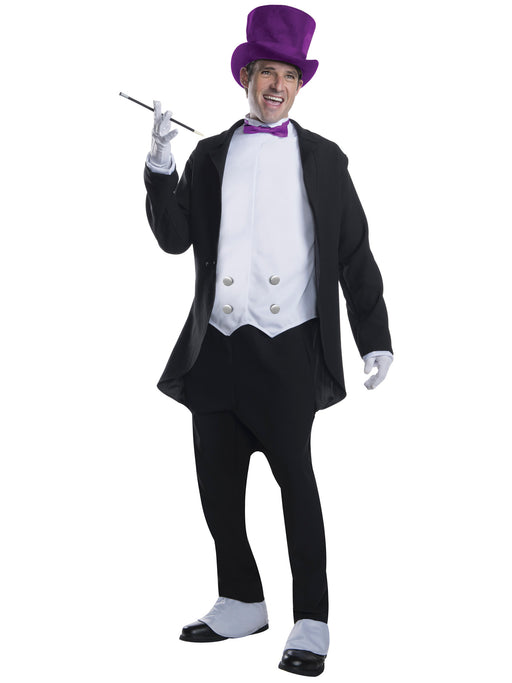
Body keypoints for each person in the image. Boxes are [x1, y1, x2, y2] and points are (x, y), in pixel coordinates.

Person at [143, 4, 393, 677]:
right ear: (246, 78)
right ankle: (241, 600)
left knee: (296, 486)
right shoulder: (210, 154)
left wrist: (374, 337)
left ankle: (311, 620)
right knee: (217, 486)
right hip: (218, 345)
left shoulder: (325, 159)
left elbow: (354, 254)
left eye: (289, 76)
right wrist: (161, 164)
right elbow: (174, 238)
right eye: (266, 73)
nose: (276, 86)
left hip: (288, 349)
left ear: (299, 85)